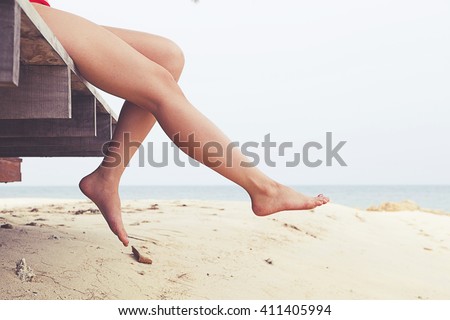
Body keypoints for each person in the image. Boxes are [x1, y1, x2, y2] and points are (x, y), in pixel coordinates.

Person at [29, 0, 329, 247]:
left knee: (166, 56)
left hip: (38, 10)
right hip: (22, 11)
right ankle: (264, 189)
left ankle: (107, 179)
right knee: (159, 85)